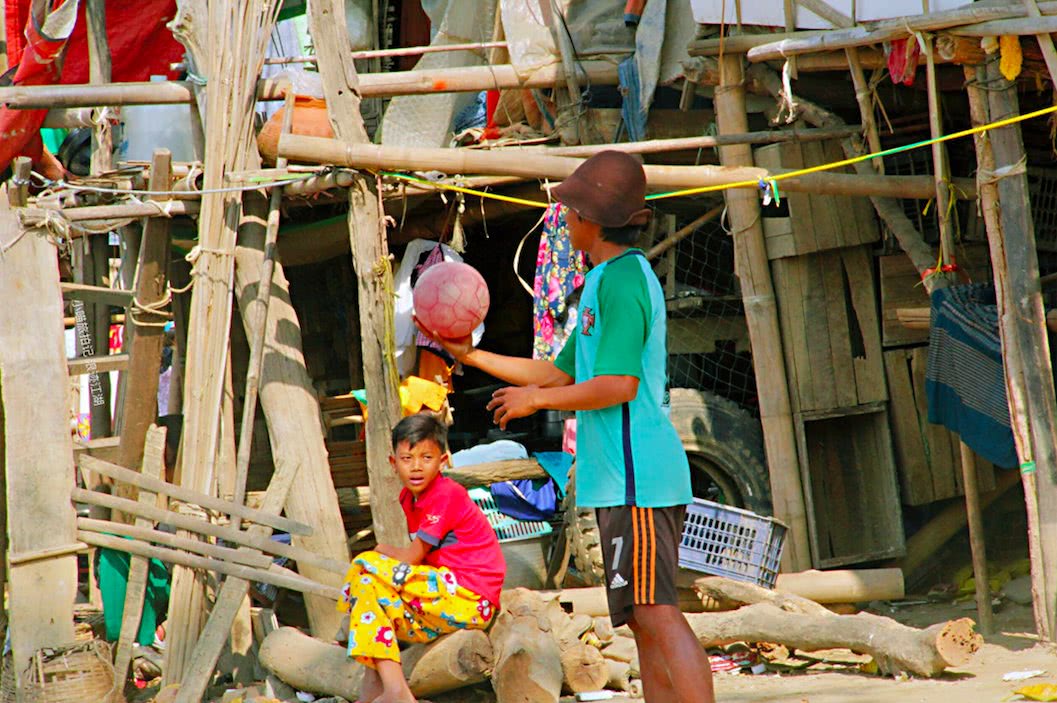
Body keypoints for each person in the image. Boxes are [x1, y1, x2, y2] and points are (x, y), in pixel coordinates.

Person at [417, 151, 716, 703]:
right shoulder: (603, 280)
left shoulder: (623, 281)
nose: (564, 219)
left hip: (639, 479)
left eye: (570, 211)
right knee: (642, 620)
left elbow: (619, 384)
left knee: (657, 613)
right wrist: (469, 355)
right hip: (621, 481)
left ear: (590, 219)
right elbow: (557, 371)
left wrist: (535, 400)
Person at [337, 414, 505, 703]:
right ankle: (380, 684)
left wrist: (381, 549)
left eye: (426, 458)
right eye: (407, 458)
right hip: (443, 593)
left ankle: (391, 689)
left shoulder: (446, 494)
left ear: (443, 461)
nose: (416, 467)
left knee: (366, 564)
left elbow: (412, 557)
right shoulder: (409, 498)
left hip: (470, 597)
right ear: (393, 463)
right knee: (367, 584)